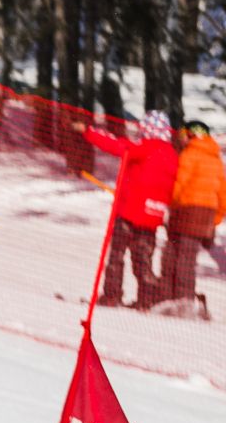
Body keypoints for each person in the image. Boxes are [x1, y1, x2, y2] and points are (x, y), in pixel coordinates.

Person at [81, 110, 178, 308]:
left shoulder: (144, 147)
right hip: (153, 215)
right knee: (143, 259)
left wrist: (89, 132)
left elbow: (116, 145)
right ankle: (146, 299)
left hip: (130, 211)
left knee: (117, 255)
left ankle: (112, 295)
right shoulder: (173, 155)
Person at [163, 119, 226, 318]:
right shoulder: (216, 158)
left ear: (191, 134)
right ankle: (179, 298)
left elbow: (180, 184)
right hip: (205, 214)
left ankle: (182, 301)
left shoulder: (189, 154)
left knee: (181, 258)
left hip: (187, 210)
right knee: (186, 257)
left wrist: (171, 206)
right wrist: (214, 219)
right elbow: (223, 194)